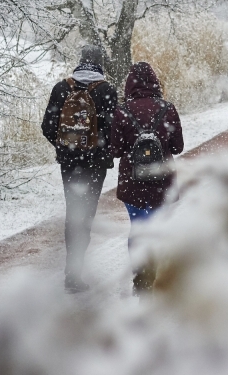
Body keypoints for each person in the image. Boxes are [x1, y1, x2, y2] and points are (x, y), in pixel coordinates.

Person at [41, 45, 118, 293]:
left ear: (80, 60)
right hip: (95, 165)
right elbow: (113, 131)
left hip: (69, 164)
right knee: (86, 215)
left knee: (73, 211)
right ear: (99, 64)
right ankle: (76, 270)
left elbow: (47, 126)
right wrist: (99, 150)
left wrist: (66, 147)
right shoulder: (106, 90)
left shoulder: (62, 88)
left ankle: (71, 270)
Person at [110, 61, 183, 293]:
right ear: (154, 82)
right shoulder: (168, 108)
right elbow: (178, 146)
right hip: (162, 183)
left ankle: (141, 276)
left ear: (129, 83)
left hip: (133, 183)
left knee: (138, 228)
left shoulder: (122, 111)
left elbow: (115, 150)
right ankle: (156, 275)